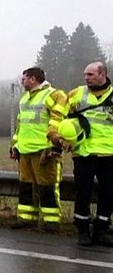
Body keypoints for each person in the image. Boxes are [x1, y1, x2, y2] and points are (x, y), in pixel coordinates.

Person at [56, 61, 113, 246]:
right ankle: (82, 230)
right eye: (85, 75)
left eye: (90, 75)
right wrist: (56, 137)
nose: (86, 78)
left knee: (108, 193)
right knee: (83, 193)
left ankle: (101, 230)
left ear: (102, 75)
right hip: (84, 153)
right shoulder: (76, 94)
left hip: (108, 153)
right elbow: (58, 116)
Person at [8, 66, 66, 230]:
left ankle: (51, 221)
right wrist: (15, 146)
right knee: (26, 186)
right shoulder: (25, 98)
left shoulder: (54, 95)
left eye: (24, 78)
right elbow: (21, 126)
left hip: (44, 151)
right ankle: (27, 218)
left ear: (33, 79)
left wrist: (54, 147)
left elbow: (59, 123)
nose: (22, 81)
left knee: (47, 187)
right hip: (25, 151)